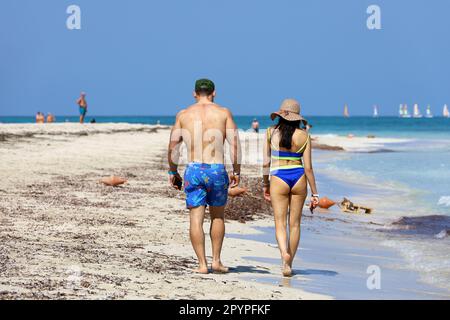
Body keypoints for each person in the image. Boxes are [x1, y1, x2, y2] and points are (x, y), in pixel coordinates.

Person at [167, 79, 241, 274]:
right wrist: (236, 171)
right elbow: (234, 144)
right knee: (218, 216)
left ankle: (201, 264)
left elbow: (173, 146)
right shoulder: (223, 113)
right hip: (216, 169)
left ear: (194, 93)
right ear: (213, 93)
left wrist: (172, 171)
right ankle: (216, 261)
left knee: (195, 219)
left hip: (194, 169)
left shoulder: (183, 115)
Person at [262, 99, 319, 277]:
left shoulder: (271, 132)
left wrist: (265, 183)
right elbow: (308, 167)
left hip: (279, 177)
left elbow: (266, 162)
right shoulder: (304, 136)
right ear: (297, 118)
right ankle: (289, 263)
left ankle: (283, 255)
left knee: (280, 223)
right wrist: (315, 193)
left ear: (280, 115)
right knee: (294, 225)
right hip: (299, 177)